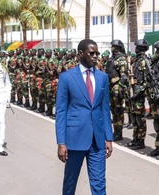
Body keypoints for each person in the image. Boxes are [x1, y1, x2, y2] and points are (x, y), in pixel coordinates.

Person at [55, 39, 113, 195]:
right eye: (91, 53)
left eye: (97, 53)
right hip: (74, 140)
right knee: (70, 182)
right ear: (81, 53)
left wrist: (109, 137)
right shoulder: (67, 77)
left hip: (97, 140)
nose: (95, 56)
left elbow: (104, 109)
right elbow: (61, 111)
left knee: (99, 184)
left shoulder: (102, 77)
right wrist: (61, 142)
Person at [105, 39, 128, 141]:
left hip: (117, 88)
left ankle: (119, 132)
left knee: (119, 111)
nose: (112, 48)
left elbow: (124, 77)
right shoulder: (112, 59)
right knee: (114, 111)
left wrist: (120, 88)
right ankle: (115, 131)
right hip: (110, 87)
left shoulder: (121, 59)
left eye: (113, 47)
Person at [0, 47, 11, 156]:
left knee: (1, 121)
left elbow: (7, 83)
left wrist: (7, 97)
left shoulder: (2, 67)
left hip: (0, 98)